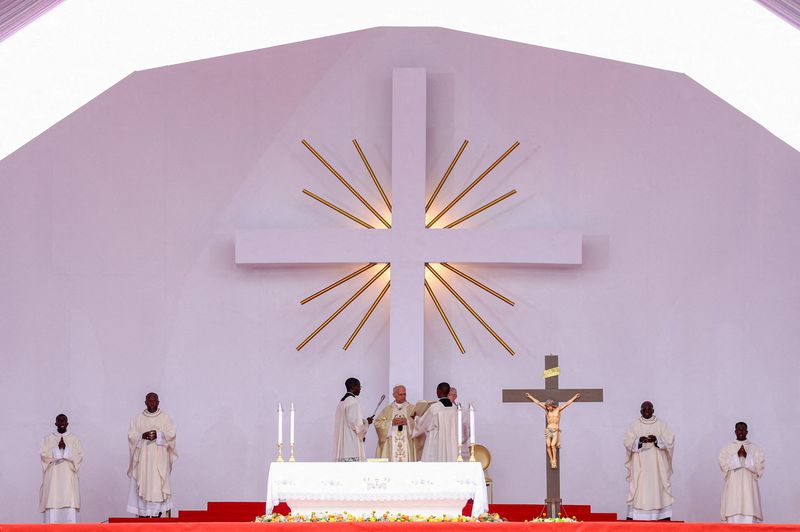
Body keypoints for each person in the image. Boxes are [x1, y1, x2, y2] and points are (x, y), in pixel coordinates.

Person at [127, 392, 177, 517]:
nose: (152, 403)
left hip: (159, 461)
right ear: (145, 402)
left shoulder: (165, 418)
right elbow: (131, 436)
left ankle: (157, 514)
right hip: (143, 462)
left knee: (158, 485)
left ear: (158, 402)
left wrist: (159, 435)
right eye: (149, 401)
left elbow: (172, 435)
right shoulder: (138, 418)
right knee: (144, 483)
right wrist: (141, 436)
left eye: (154, 401)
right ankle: (143, 514)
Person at [623, 401, 675, 521]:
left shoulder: (662, 425)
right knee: (639, 487)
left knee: (657, 488)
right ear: (640, 411)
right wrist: (639, 441)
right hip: (640, 466)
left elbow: (670, 440)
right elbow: (627, 441)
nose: (647, 411)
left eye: (649, 409)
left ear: (653, 410)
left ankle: (659, 515)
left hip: (657, 468)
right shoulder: (634, 426)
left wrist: (657, 440)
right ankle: (638, 515)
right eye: (644, 409)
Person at [39, 414, 83, 523]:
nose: (62, 423)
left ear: (67, 423)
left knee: (70, 507)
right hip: (53, 481)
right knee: (52, 505)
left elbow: (79, 455)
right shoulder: (48, 439)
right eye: (59, 421)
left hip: (68, 478)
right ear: (56, 423)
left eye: (64, 421)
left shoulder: (74, 439)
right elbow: (43, 455)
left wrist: (66, 449)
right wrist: (57, 449)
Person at [719, 422, 765, 523]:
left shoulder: (755, 449)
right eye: (739, 429)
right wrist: (737, 455)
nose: (741, 431)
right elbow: (723, 465)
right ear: (735, 431)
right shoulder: (728, 448)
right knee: (732, 522)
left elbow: (759, 468)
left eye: (743, 429)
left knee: (750, 521)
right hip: (733, 491)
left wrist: (746, 456)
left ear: (747, 431)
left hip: (749, 492)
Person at [525, 392, 580, 469]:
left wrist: (575, 397)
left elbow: (567, 404)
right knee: (548, 445)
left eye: (549, 407)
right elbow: (538, 403)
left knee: (552, 445)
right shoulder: (547, 411)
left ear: (552, 405)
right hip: (548, 430)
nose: (548, 408)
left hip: (555, 430)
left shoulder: (558, 410)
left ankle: (554, 459)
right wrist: (530, 396)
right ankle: (551, 460)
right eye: (547, 407)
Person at [412, 382, 459, 462]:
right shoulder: (454, 408)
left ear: (440, 391)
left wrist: (416, 418)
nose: (436, 392)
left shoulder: (435, 407)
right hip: (451, 441)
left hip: (436, 440)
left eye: (437, 390)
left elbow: (424, 424)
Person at [333, 377, 374, 462]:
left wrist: (365, 421)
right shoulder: (353, 402)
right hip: (351, 444)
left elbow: (348, 420)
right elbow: (355, 424)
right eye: (359, 386)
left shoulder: (342, 402)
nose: (360, 389)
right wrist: (367, 424)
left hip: (343, 444)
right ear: (353, 387)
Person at [374, 384, 416, 461]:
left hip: (407, 443)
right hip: (391, 443)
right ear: (394, 395)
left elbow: (419, 423)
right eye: (400, 394)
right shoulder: (388, 409)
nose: (403, 396)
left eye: (404, 394)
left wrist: (408, 422)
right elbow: (377, 423)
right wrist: (391, 423)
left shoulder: (412, 408)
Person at [448, 387, 470, 459]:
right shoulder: (441, 410)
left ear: (455, 396)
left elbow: (467, 430)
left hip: (459, 447)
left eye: (449, 395)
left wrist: (458, 440)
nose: (447, 397)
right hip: (445, 447)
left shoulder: (463, 411)